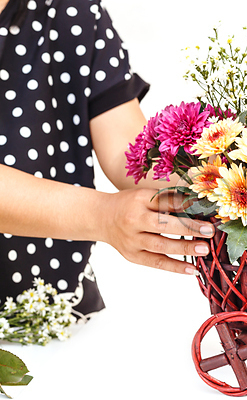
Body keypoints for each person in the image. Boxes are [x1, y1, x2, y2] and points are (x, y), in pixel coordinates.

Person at [0, 0, 213, 320]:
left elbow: (128, 154)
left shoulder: (71, 11)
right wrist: (104, 214)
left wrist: (221, 161)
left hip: (54, 312)